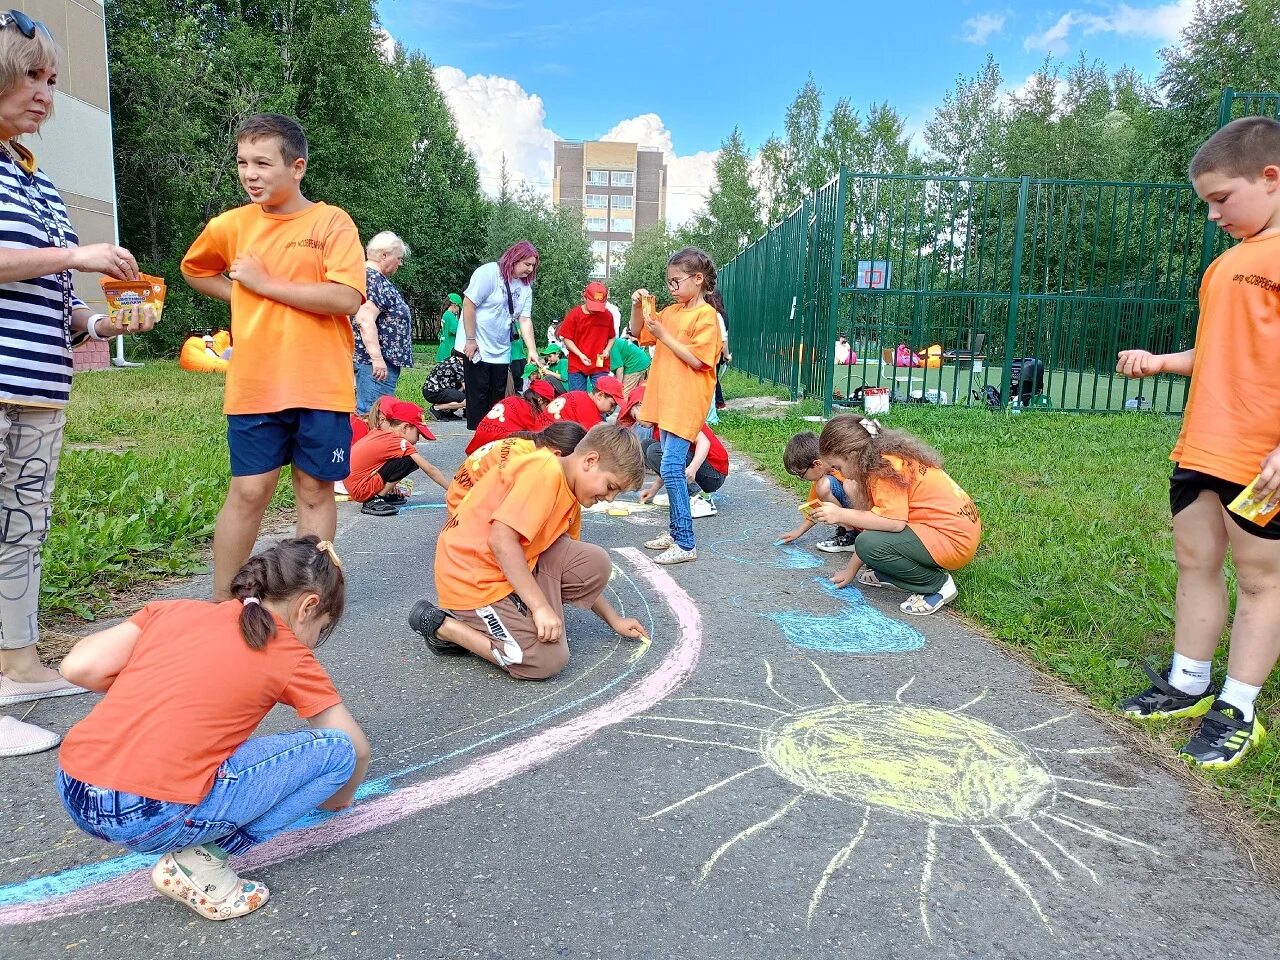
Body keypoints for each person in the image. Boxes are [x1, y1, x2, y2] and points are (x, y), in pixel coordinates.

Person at [55, 537, 369, 921]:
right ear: (308, 607)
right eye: (321, 630)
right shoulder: (288, 651)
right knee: (336, 753)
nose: (315, 642)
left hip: (74, 786)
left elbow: (78, 667)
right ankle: (203, 862)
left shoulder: (173, 611)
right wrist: (336, 797)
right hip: (150, 815)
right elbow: (355, 747)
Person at [0, 14, 159, 756]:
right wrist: (77, 250)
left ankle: (19, 666)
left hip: (38, 382)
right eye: (31, 75)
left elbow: (59, 304)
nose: (45, 95)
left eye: (53, 81)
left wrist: (101, 326)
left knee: (21, 531)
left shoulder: (38, 180)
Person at [1113, 116, 1280, 767]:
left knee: (1263, 581)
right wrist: (1162, 362)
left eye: (1221, 198)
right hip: (1202, 447)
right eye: (1206, 202)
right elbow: (1222, 352)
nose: (1213, 214)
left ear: (1271, 178)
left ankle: (1237, 708)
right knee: (1195, 562)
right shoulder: (1226, 265)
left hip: (1260, 462)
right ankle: (1189, 682)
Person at [181, 114, 365, 601]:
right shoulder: (231, 225)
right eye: (242, 163)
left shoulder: (331, 222)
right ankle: (223, 602)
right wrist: (243, 298)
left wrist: (264, 286)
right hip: (256, 384)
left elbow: (347, 297)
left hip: (320, 384)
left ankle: (308, 597)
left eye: (263, 162)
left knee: (314, 491)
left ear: (297, 166)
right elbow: (195, 270)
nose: (250, 174)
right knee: (248, 492)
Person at [408, 424, 647, 680]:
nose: (610, 498)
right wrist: (541, 608)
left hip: (500, 566)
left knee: (593, 562)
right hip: (472, 577)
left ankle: (521, 615)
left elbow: (566, 563)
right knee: (545, 660)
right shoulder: (544, 472)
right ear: (590, 460)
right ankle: (443, 626)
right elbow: (501, 541)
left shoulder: (570, 495)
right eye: (611, 487)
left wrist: (614, 620)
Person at [812, 416, 982, 617]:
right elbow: (876, 524)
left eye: (838, 466)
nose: (839, 473)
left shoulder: (883, 471)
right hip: (953, 532)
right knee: (871, 547)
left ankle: (937, 585)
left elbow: (892, 524)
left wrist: (841, 514)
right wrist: (851, 571)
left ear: (852, 454)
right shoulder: (886, 458)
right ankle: (894, 573)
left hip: (952, 541)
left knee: (869, 545)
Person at [629, 247, 723, 565]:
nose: (672, 288)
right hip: (667, 400)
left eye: (676, 281)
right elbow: (638, 331)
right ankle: (675, 532)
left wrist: (666, 336)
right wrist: (637, 306)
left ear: (698, 280)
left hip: (686, 401)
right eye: (668, 282)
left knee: (671, 467)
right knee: (670, 467)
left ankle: (684, 542)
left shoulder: (706, 316)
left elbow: (699, 360)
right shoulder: (670, 312)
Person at [457, 242, 543, 430]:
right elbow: (469, 304)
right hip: (478, 345)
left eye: (533, 266)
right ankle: (476, 439)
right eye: (527, 264)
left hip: (501, 348)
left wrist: (532, 350)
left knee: (497, 398)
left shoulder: (525, 287)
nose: (530, 269)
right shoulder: (488, 273)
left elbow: (525, 319)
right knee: (478, 396)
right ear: (514, 258)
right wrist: (470, 340)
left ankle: (491, 435)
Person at [445, 422, 586, 515]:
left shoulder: (526, 446)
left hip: (464, 498)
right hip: (465, 509)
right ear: (557, 454)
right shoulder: (522, 459)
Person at [344, 398, 449, 517]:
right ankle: (376, 498)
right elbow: (430, 470)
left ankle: (380, 494)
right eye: (418, 433)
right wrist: (451, 489)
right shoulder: (398, 442)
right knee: (410, 460)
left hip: (355, 485)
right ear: (405, 427)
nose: (418, 439)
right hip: (361, 489)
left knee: (405, 459)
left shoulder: (380, 433)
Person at [350, 231, 413, 416]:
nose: (400, 263)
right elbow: (364, 319)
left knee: (372, 414)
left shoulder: (368, 277)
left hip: (375, 363)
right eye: (399, 258)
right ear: (384, 255)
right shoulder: (374, 280)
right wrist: (377, 359)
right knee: (373, 415)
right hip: (375, 366)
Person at [780, 430, 859, 553]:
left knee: (828, 485)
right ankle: (848, 532)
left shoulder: (842, 469)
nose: (802, 478)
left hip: (869, 515)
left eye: (801, 474)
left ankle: (852, 535)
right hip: (857, 515)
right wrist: (798, 532)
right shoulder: (820, 478)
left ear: (817, 464)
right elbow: (814, 509)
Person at [639, 422, 729, 519]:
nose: (638, 423)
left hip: (713, 473)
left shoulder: (674, 417)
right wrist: (653, 490)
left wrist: (692, 468)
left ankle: (700, 498)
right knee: (646, 445)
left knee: (655, 450)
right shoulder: (658, 427)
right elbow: (665, 463)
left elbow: (704, 442)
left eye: (636, 417)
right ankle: (681, 494)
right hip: (703, 469)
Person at [463, 380, 555, 455]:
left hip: (476, 447)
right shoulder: (530, 411)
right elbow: (539, 437)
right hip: (493, 450)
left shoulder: (511, 399)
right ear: (540, 400)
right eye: (547, 405)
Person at [557, 281, 616, 392]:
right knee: (578, 399)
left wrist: (607, 350)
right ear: (584, 298)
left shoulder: (607, 315)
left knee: (603, 397)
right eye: (593, 305)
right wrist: (580, 354)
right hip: (577, 363)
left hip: (600, 363)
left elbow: (612, 337)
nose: (595, 310)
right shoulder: (574, 315)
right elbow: (566, 338)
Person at [535, 375, 624, 431]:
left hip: (538, 430)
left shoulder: (578, 394)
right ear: (600, 395)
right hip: (548, 442)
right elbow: (594, 439)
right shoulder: (590, 411)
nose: (612, 410)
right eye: (612, 405)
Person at [421, 351, 466, 421]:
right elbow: (467, 388)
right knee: (467, 400)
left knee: (460, 393)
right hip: (435, 392)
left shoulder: (451, 360)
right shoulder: (458, 365)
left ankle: (447, 413)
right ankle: (436, 409)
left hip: (430, 390)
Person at [706, 290, 732, 412]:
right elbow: (725, 337)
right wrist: (726, 354)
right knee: (713, 378)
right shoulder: (722, 315)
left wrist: (725, 353)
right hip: (715, 353)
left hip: (712, 352)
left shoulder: (715, 315)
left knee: (712, 379)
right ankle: (718, 404)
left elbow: (723, 337)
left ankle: (718, 404)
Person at [609, 331, 652, 399]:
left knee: (624, 396)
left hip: (635, 364)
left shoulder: (611, 346)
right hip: (642, 361)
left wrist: (618, 388)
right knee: (637, 395)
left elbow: (620, 369)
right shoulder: (614, 341)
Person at [436, 293, 462, 363]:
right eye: (458, 307)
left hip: (443, 350)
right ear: (454, 305)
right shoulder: (451, 316)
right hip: (449, 350)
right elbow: (456, 330)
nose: (458, 311)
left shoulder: (445, 314)